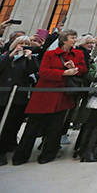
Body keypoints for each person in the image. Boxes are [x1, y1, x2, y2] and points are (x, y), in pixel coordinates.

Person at [13, 29, 86, 165]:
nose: (75, 40)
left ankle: (48, 154)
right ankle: (21, 156)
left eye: (75, 38)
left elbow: (83, 69)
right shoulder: (50, 54)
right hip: (44, 95)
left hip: (62, 95)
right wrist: (64, 73)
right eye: (72, 37)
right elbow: (43, 71)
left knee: (55, 128)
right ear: (64, 40)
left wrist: (74, 67)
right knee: (32, 127)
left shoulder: (78, 54)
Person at [0, 36, 39, 166]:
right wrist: (11, 54)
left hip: (18, 97)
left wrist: (29, 57)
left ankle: (3, 150)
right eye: (20, 43)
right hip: (3, 95)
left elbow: (34, 71)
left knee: (10, 126)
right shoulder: (6, 56)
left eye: (26, 44)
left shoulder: (30, 59)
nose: (23, 46)